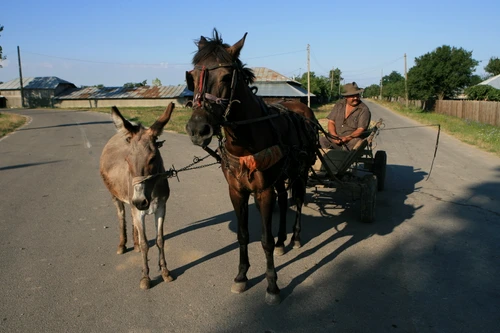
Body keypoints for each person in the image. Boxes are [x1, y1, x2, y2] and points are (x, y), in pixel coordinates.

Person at [319, 82, 371, 150]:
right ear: (346, 97)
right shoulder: (339, 105)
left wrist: (347, 138)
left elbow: (360, 129)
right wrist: (334, 136)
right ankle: (327, 157)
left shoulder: (363, 109)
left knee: (357, 142)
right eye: (352, 96)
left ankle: (343, 157)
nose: (355, 98)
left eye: (357, 95)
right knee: (321, 140)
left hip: (351, 140)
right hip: (335, 139)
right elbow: (331, 122)